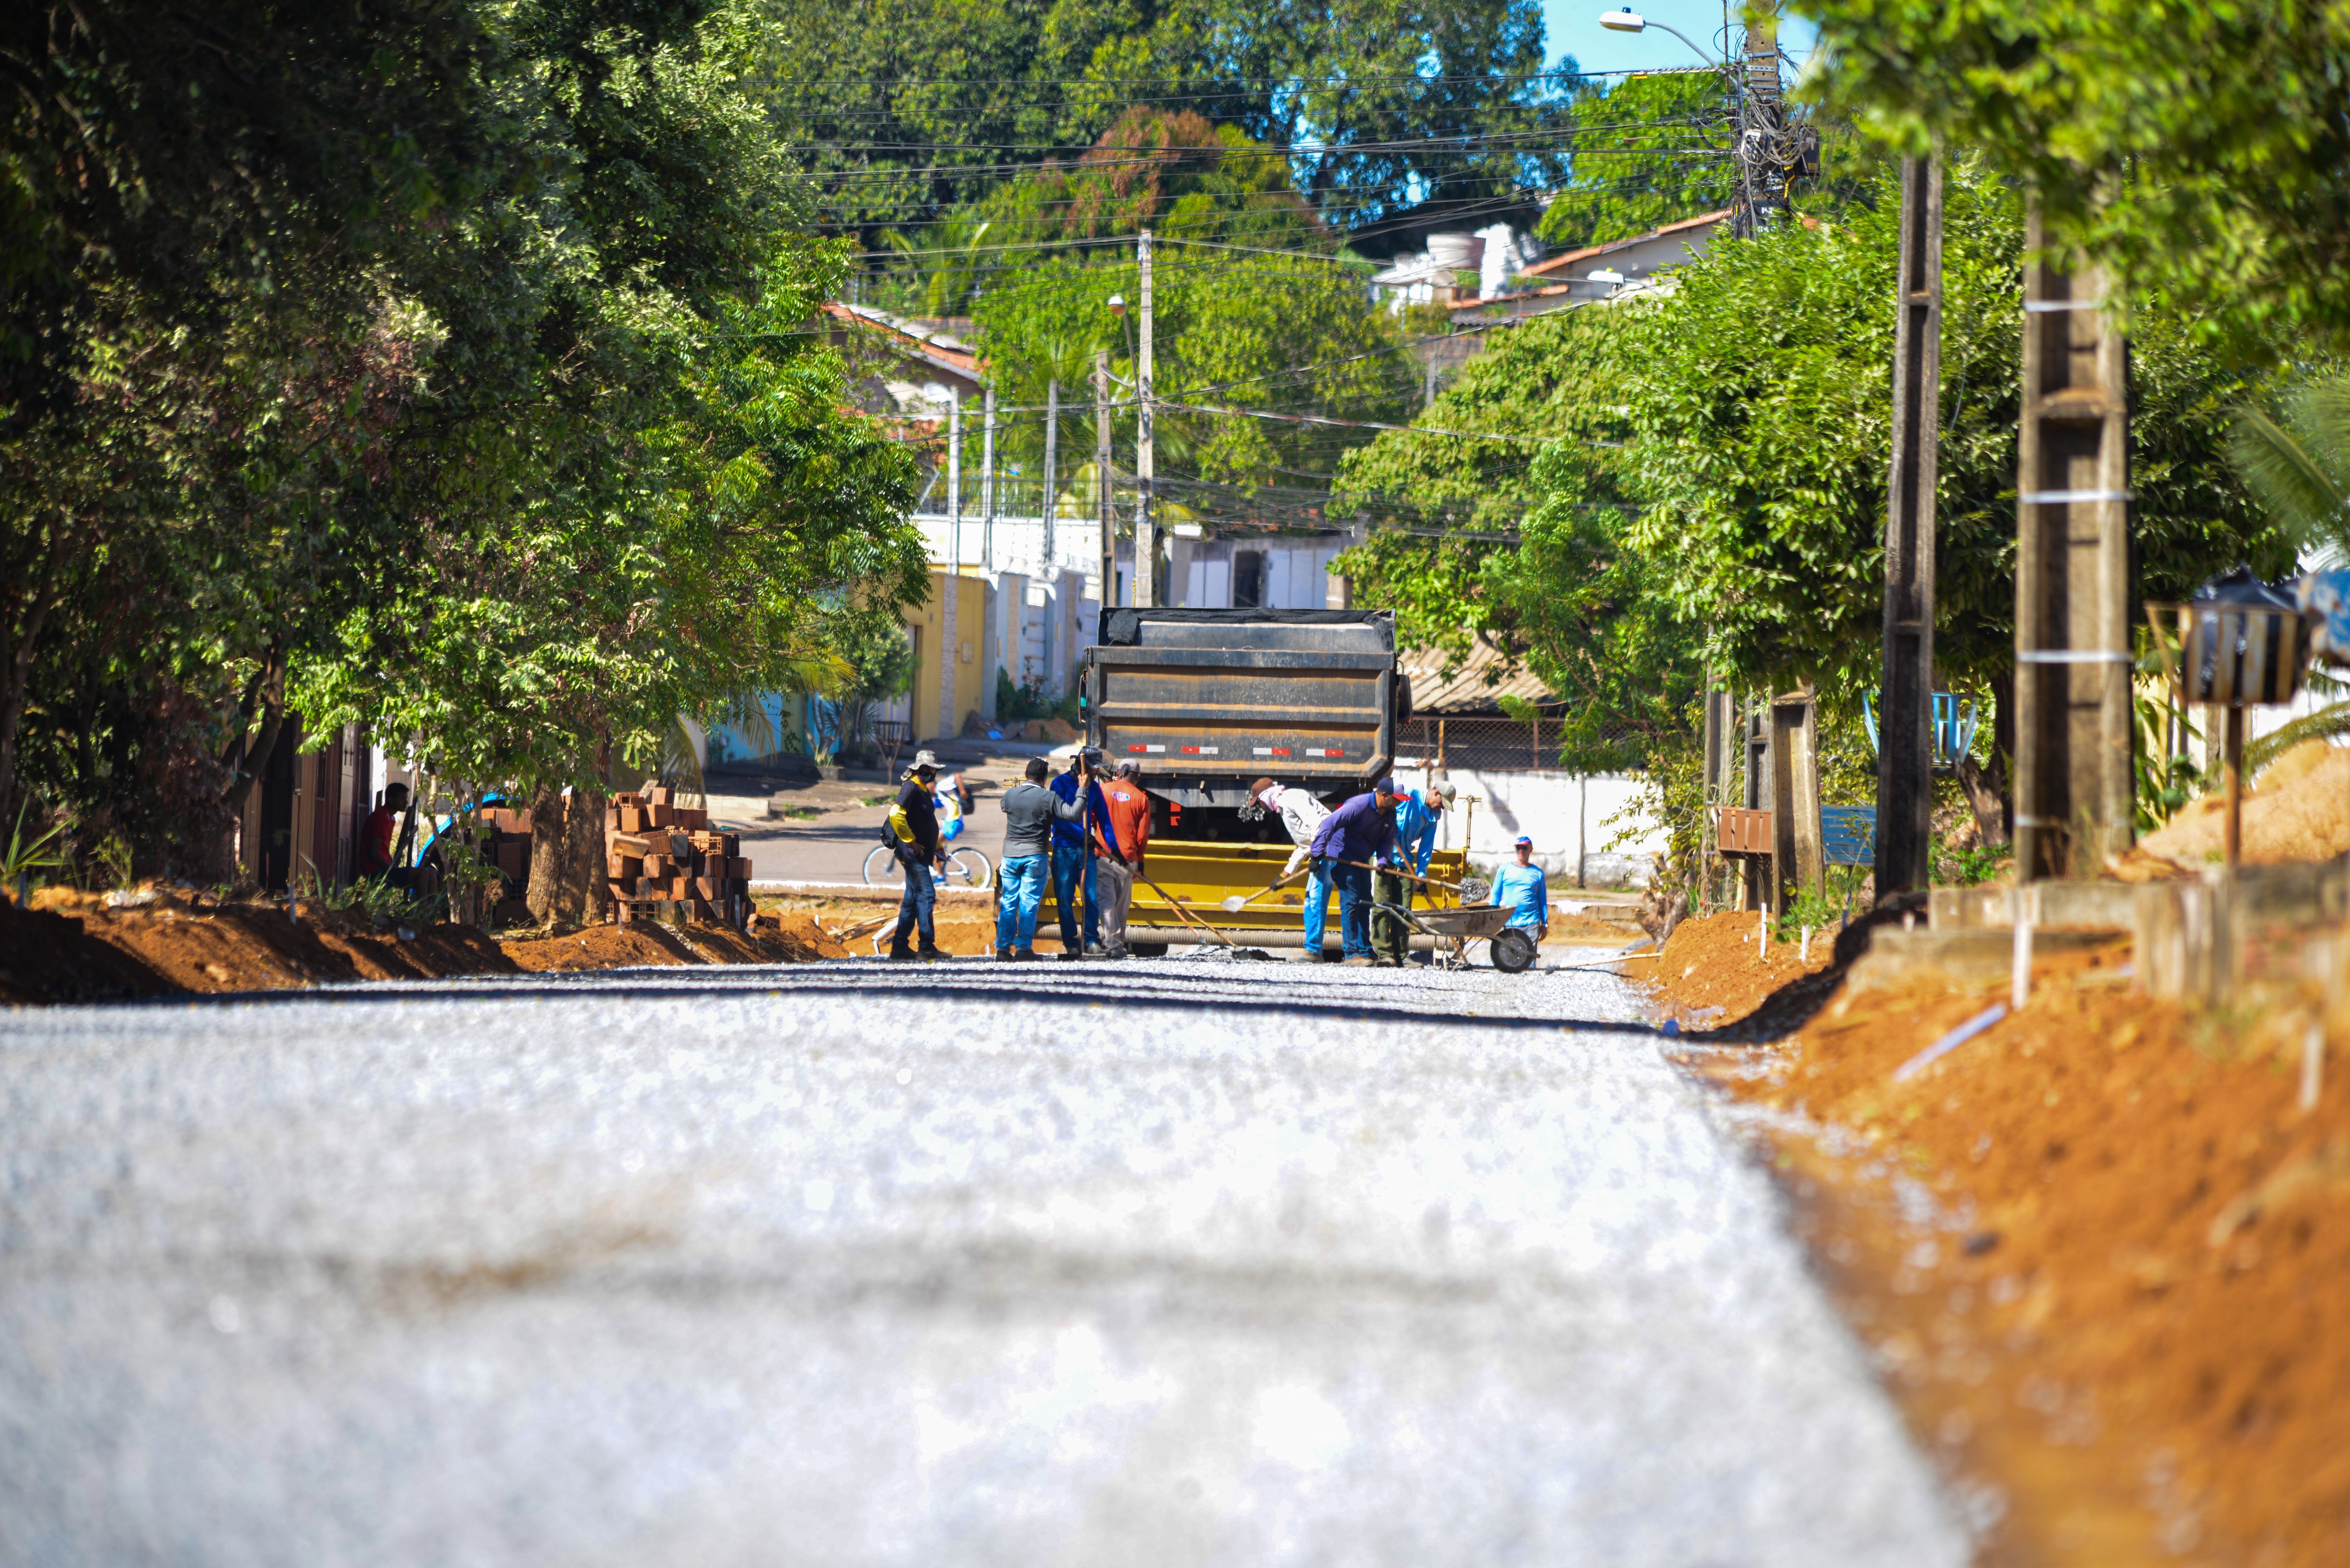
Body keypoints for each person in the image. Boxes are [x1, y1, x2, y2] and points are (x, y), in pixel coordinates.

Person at [995, 756, 1088, 960]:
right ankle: (1023, 949)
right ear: (1045, 778)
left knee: (1009, 902)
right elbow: (1073, 815)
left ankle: (1002, 950)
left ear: (1027, 774)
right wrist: (1082, 790)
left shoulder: (1011, 795)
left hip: (1010, 857)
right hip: (1035, 856)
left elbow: (1005, 806)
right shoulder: (1048, 798)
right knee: (1028, 903)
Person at [1306, 776, 1401, 965]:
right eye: (1397, 799)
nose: (1399, 803)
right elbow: (1329, 824)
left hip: (1362, 861)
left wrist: (1382, 861)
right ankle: (1351, 954)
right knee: (1351, 903)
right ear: (1384, 796)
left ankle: (1366, 951)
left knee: (1366, 903)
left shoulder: (1390, 815)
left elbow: (1386, 841)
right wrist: (1317, 854)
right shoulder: (1358, 806)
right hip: (1341, 857)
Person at [1371, 779, 1456, 965]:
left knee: (1404, 909)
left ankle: (1402, 955)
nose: (1441, 809)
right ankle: (1384, 954)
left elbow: (1426, 848)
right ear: (1436, 794)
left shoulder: (1433, 817)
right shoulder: (1407, 796)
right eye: (1442, 804)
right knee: (1382, 905)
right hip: (1385, 857)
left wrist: (1422, 875)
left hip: (1405, 862)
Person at [1250, 776, 1334, 960]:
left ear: (1266, 796)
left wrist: (1318, 854)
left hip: (1330, 850)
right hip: (1323, 850)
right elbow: (1303, 846)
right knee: (1311, 899)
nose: (1261, 807)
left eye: (1259, 802)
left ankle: (1313, 951)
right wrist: (1284, 875)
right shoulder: (1284, 807)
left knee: (1315, 898)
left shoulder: (1291, 799)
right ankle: (1312, 948)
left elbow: (1318, 825)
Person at [886, 759, 948, 961]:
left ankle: (900, 946)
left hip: (921, 854)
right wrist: (911, 842)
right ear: (918, 770)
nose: (931, 773)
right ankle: (927, 946)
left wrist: (937, 847)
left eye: (933, 770)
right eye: (927, 769)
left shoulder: (922, 789)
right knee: (927, 894)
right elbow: (896, 814)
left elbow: (927, 821)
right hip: (913, 855)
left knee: (912, 900)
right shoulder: (911, 788)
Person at [1091, 759, 1153, 959]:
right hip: (1128, 859)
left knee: (1106, 901)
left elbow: (1091, 818)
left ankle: (1113, 944)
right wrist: (1141, 861)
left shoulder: (1103, 790)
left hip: (1103, 855)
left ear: (1119, 772)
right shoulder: (1141, 799)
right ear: (1137, 777)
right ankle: (1116, 944)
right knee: (1122, 903)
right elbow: (1143, 835)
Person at [1050, 750, 1107, 959]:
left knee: (1091, 897)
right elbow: (1058, 819)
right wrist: (1083, 834)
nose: (1098, 771)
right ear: (1083, 765)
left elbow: (1105, 819)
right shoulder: (1060, 784)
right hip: (1064, 851)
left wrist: (1114, 847)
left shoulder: (1095, 788)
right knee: (1065, 898)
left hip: (1086, 852)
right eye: (1095, 767)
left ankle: (1091, 940)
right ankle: (1071, 942)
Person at [1490, 834, 1550, 946]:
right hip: (1508, 922)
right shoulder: (1504, 869)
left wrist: (1545, 924)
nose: (1521, 851)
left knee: (1529, 959)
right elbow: (1496, 895)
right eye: (1518, 848)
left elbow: (1542, 901)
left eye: (1525, 848)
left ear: (1531, 850)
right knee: (1509, 960)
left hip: (1531, 923)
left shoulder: (1538, 873)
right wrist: (1491, 919)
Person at [360, 782, 409, 879]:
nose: (406, 803)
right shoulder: (381, 818)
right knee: (422, 874)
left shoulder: (391, 819)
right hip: (376, 871)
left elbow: (384, 851)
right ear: (391, 800)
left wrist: (394, 867)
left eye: (406, 799)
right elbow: (373, 854)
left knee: (429, 873)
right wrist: (392, 870)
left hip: (385, 869)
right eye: (402, 799)